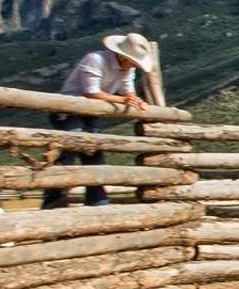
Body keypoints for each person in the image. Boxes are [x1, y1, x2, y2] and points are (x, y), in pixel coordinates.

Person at [42, 31, 161, 208]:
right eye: (132, 61)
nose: (132, 66)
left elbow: (127, 89)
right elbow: (92, 92)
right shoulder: (95, 59)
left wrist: (132, 98)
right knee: (72, 145)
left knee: (94, 154)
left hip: (91, 113)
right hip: (67, 112)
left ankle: (98, 202)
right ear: (122, 55)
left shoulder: (127, 68)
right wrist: (124, 100)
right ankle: (54, 199)